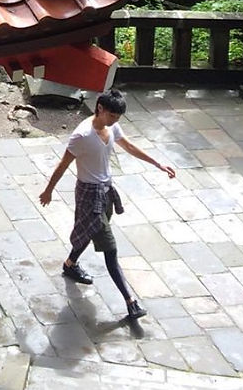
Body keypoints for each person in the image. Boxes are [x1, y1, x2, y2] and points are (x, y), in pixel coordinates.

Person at [39, 87, 175, 320]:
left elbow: (129, 146)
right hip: (89, 195)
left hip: (106, 192)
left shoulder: (111, 127)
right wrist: (48, 190)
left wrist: (157, 163)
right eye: (111, 116)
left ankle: (70, 264)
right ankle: (130, 302)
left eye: (118, 118)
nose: (114, 121)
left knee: (89, 232)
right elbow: (63, 164)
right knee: (110, 249)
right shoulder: (82, 136)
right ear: (100, 108)